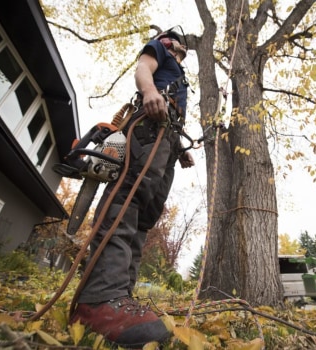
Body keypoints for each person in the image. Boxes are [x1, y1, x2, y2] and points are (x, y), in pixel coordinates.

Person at [69, 28, 194, 348]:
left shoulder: (180, 74)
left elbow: (174, 114)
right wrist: (150, 91)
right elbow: (142, 70)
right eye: (178, 44)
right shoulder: (160, 51)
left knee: (147, 214)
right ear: (170, 42)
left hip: (168, 135)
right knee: (128, 200)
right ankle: (98, 299)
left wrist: (179, 148)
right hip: (148, 126)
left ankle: (120, 295)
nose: (180, 50)